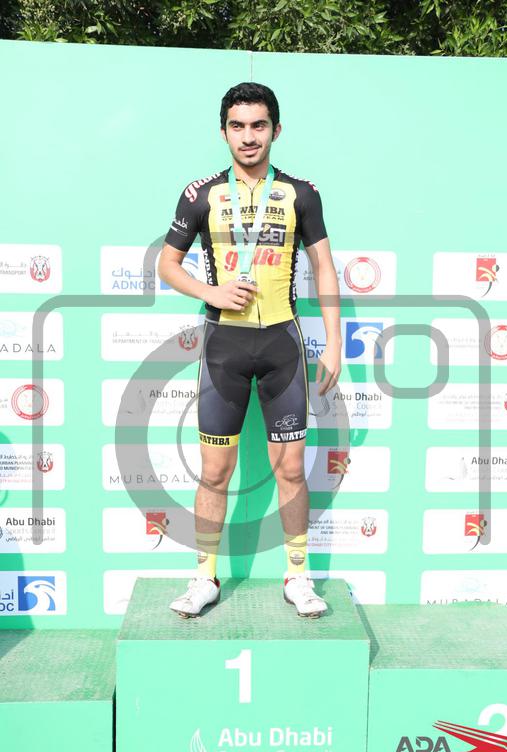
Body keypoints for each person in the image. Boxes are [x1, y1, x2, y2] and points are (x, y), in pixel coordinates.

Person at [158, 82, 341, 618]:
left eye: (258, 125)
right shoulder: (201, 194)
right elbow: (167, 264)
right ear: (224, 132)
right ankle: (204, 578)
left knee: (291, 469)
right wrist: (211, 292)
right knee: (214, 472)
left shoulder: (302, 194)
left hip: (282, 343)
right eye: (237, 126)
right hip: (225, 346)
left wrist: (334, 343)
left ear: (275, 130)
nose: (248, 136)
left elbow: (324, 267)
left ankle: (298, 577)